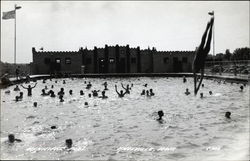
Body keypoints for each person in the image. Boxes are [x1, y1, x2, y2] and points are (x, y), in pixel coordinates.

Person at [193, 17, 214, 95]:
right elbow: (200, 78)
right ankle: (210, 26)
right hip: (203, 54)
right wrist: (196, 88)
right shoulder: (199, 67)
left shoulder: (194, 67)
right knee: (206, 41)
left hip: (200, 53)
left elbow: (197, 79)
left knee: (205, 41)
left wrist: (197, 88)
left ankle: (208, 27)